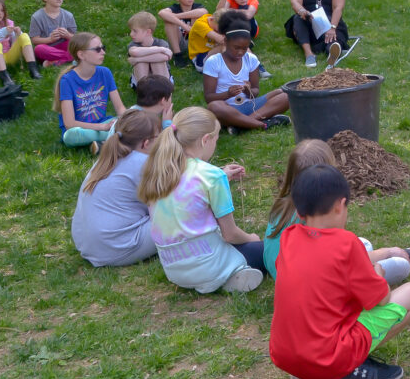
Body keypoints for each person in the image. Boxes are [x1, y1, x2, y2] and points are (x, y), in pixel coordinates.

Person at [269, 164, 410, 379]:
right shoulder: (347, 244)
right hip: (328, 358)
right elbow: (381, 299)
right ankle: (347, 369)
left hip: (286, 356)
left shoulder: (288, 238)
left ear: (300, 212)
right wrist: (378, 274)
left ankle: (305, 370)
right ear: (341, 206)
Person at [137, 107, 265, 293]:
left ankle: (221, 276)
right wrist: (252, 238)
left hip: (174, 269)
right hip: (208, 263)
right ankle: (231, 272)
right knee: (270, 249)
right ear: (206, 140)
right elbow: (230, 234)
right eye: (216, 140)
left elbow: (188, 186)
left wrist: (222, 174)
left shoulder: (158, 170)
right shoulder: (212, 176)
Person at [264, 139, 410, 283]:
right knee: (401, 265)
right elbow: (343, 260)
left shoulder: (282, 205)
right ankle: (409, 256)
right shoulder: (320, 219)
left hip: (282, 274)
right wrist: (388, 252)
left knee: (364, 243)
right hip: (318, 283)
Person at [71, 109, 160, 267]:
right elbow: (169, 202)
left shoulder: (107, 158)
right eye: (158, 139)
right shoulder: (143, 163)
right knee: (180, 212)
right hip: (116, 248)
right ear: (146, 143)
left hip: (87, 245)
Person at [202, 11, 291, 134]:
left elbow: (255, 92)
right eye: (236, 48)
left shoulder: (251, 59)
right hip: (227, 108)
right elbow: (209, 98)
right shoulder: (214, 62)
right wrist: (228, 94)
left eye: (244, 48)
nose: (240, 52)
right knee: (213, 107)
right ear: (226, 42)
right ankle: (263, 124)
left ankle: (242, 124)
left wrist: (247, 90)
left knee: (285, 95)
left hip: (249, 105)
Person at [54, 32, 126, 151]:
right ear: (81, 55)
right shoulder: (67, 80)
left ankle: (102, 144)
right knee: (70, 136)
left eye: (103, 48)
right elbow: (69, 123)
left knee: (137, 113)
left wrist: (130, 117)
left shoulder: (105, 72)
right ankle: (117, 136)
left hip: (104, 123)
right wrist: (102, 127)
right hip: (80, 130)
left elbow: (120, 109)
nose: (103, 52)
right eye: (97, 49)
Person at [216, 0, 271, 79]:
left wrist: (229, 11)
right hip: (236, 29)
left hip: (251, 29)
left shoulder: (252, 0)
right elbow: (219, 11)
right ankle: (258, 67)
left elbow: (248, 14)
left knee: (235, 19)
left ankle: (259, 67)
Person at [158, 0, 207, 68]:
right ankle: (178, 56)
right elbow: (161, 13)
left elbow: (203, 11)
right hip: (179, 42)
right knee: (169, 22)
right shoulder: (175, 8)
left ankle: (196, 54)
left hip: (195, 41)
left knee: (196, 15)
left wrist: (175, 16)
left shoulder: (197, 7)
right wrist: (184, 26)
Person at [107, 74, 174, 138]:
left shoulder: (132, 112)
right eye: (170, 96)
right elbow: (165, 146)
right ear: (163, 100)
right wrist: (167, 125)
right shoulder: (145, 122)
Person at [28, 0, 76, 65]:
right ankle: (72, 57)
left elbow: (75, 38)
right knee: (38, 49)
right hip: (48, 47)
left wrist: (67, 35)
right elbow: (34, 40)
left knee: (78, 44)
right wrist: (50, 39)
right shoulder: (37, 17)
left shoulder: (68, 15)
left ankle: (54, 62)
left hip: (64, 45)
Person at [126, 11, 173, 88]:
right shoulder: (134, 44)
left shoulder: (161, 43)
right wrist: (159, 49)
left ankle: (161, 90)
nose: (131, 34)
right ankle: (144, 91)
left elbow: (164, 57)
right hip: (141, 79)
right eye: (131, 30)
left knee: (158, 61)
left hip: (163, 78)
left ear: (148, 32)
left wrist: (138, 59)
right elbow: (134, 52)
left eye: (135, 31)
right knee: (141, 63)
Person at [187, 7, 227, 73]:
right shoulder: (200, 24)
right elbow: (220, 39)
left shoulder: (215, 22)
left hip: (213, 53)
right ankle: (230, 69)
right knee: (226, 45)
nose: (221, 30)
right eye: (220, 28)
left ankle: (248, 65)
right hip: (200, 59)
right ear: (211, 19)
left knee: (241, 46)